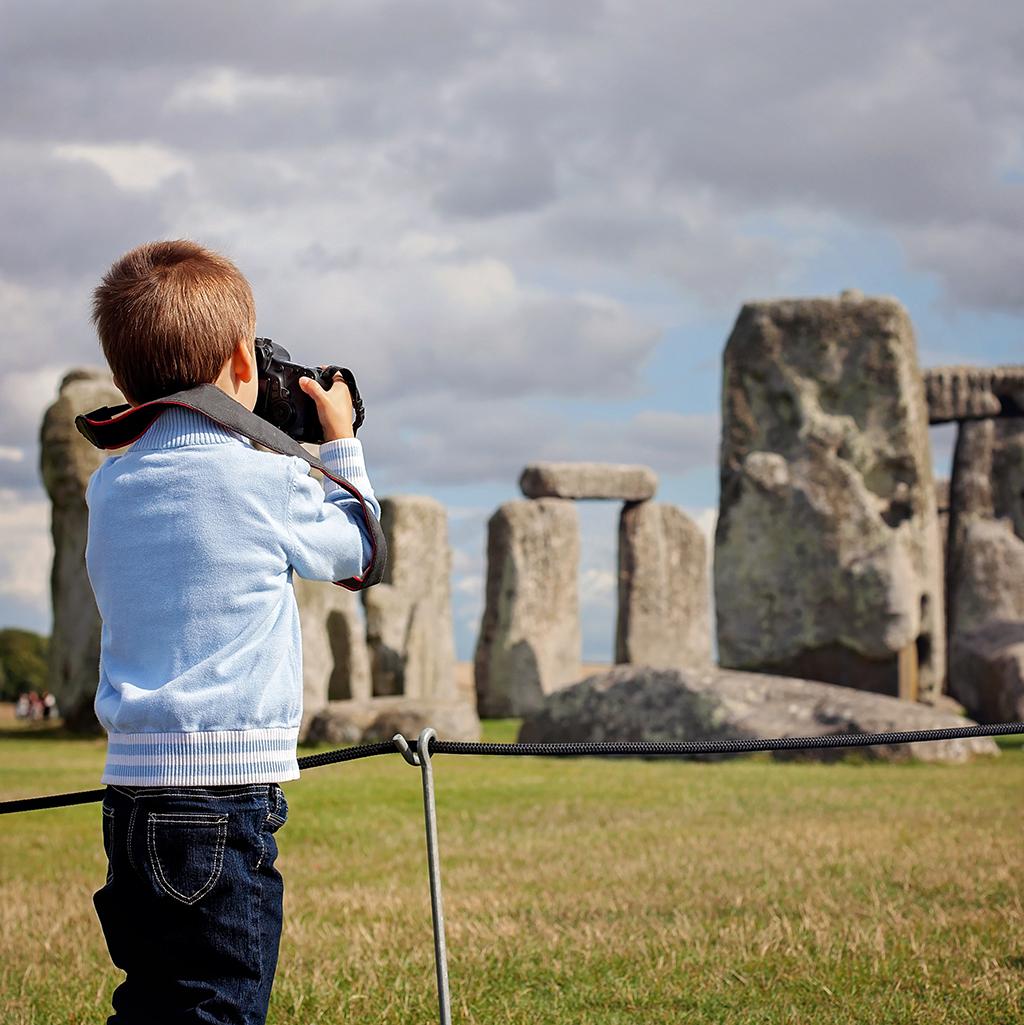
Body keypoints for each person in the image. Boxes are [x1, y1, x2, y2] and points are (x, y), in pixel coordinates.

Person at [86, 239, 382, 1024]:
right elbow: (359, 550)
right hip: (224, 790)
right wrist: (339, 443)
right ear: (243, 363)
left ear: (123, 378)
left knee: (151, 999)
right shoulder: (266, 477)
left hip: (129, 794)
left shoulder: (110, 484)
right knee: (220, 1005)